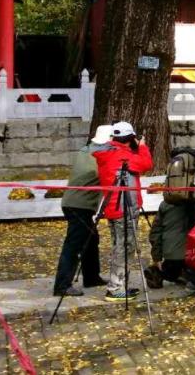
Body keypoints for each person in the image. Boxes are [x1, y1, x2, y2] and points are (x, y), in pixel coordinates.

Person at [93, 121, 153, 302]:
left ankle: (120, 284)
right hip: (124, 208)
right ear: (130, 139)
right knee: (124, 248)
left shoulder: (107, 153)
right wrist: (142, 147)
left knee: (120, 246)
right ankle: (115, 287)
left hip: (113, 207)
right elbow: (146, 164)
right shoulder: (123, 155)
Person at [52, 125, 113, 297]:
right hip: (79, 205)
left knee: (91, 238)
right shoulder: (99, 157)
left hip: (74, 203)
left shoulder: (85, 151)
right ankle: (62, 285)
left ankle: (91, 276)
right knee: (73, 245)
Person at [145, 201, 191, 289]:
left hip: (172, 254)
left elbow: (155, 232)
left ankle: (164, 272)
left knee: (173, 268)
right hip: (191, 254)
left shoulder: (165, 203)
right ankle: (176, 273)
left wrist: (157, 257)